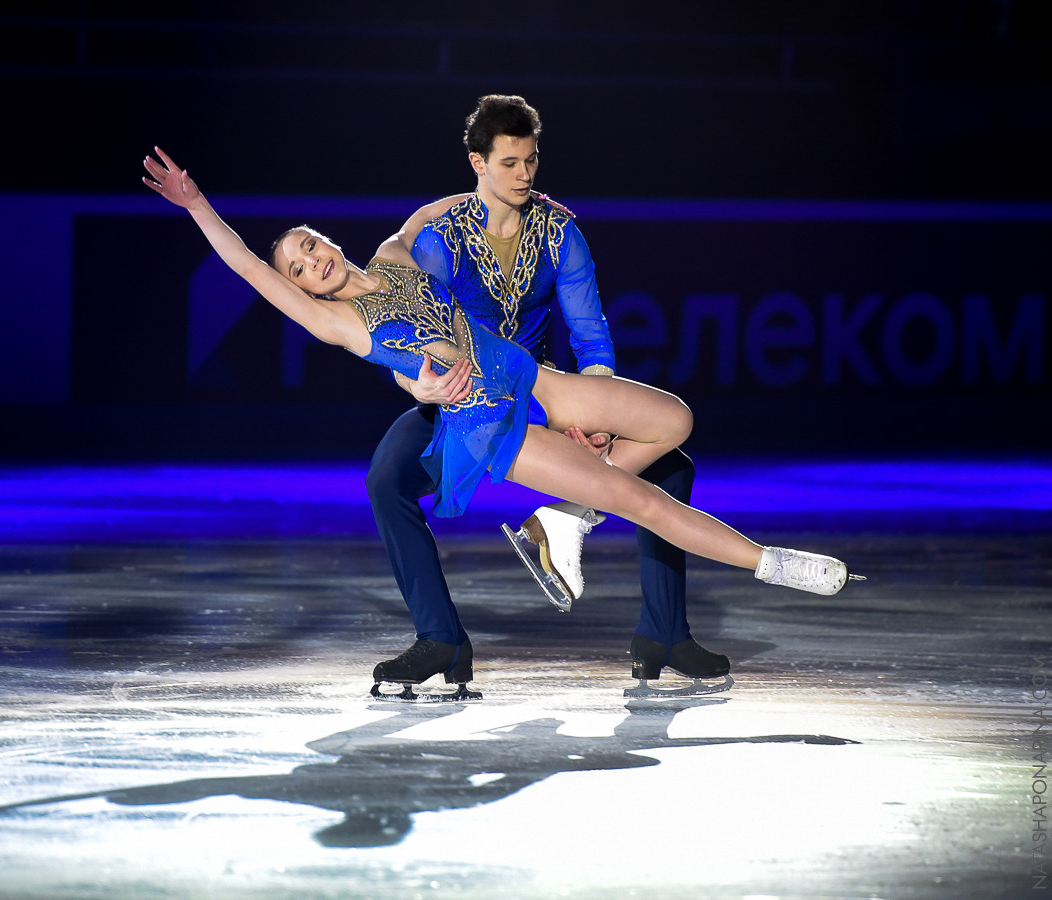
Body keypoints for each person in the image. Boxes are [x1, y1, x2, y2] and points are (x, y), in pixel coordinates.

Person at [141, 147, 856, 698]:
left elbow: (426, 215)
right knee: (641, 498)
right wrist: (198, 203)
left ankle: (566, 523)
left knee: (673, 420)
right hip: (491, 422)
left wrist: (517, 194)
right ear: (298, 286)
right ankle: (771, 562)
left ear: (329, 240)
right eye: (299, 265)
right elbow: (243, 267)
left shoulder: (394, 256)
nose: (312, 260)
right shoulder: (336, 321)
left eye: (312, 244)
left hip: (532, 378)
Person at [368, 94, 726, 695]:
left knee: (668, 467)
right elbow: (395, 329)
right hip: (457, 404)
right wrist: (415, 382)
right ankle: (441, 640)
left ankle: (662, 632)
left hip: (538, 401)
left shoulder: (560, 234)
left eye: (531, 161)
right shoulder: (440, 240)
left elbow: (592, 336)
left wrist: (599, 413)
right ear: (477, 163)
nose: (525, 175)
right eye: (509, 163)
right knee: (386, 478)